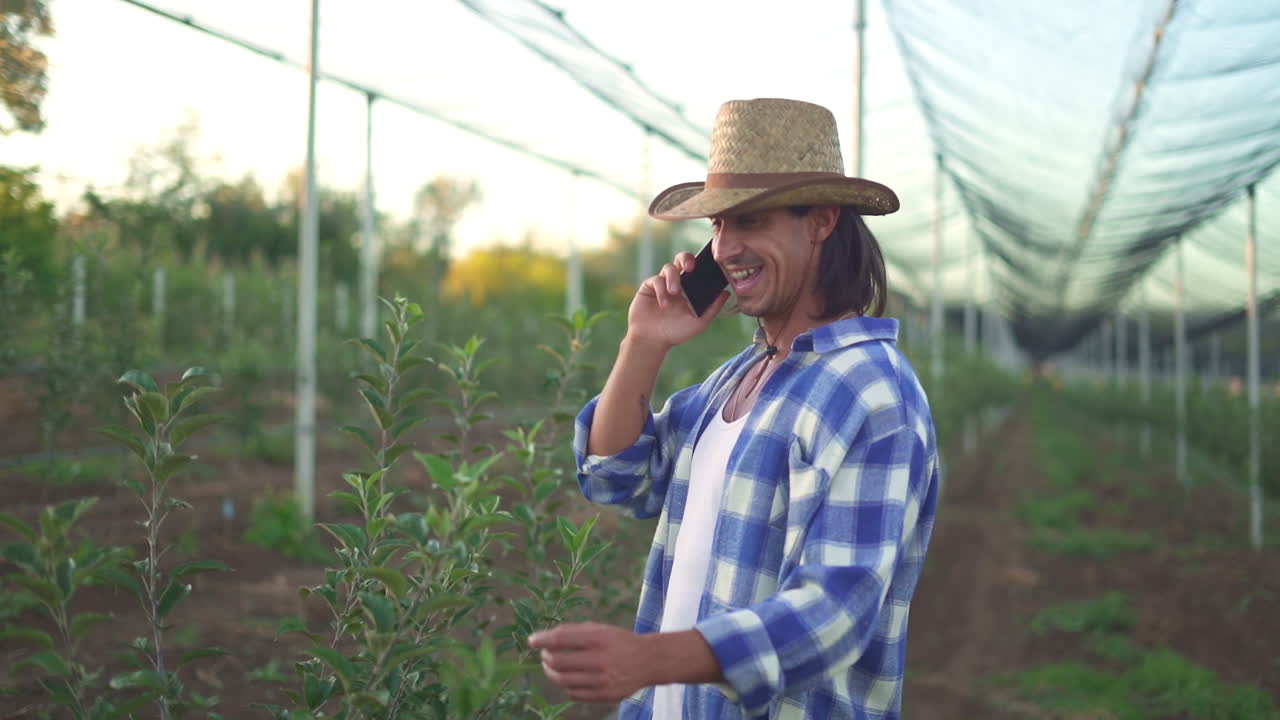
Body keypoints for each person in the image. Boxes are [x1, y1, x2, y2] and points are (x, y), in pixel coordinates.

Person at [529, 98, 939, 719]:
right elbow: (617, 477)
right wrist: (643, 343)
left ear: (822, 220)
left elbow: (835, 613)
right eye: (718, 225)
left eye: (748, 222)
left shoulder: (873, 392)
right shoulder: (740, 376)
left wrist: (650, 659)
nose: (724, 248)